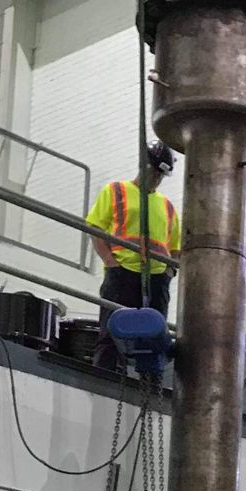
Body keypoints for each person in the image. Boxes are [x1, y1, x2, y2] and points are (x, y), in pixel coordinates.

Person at [84, 142, 182, 373]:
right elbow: (95, 228)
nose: (156, 178)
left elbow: (175, 248)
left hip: (157, 278)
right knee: (111, 331)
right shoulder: (116, 191)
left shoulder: (167, 207)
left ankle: (151, 382)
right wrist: (110, 262)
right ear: (144, 165)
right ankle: (104, 374)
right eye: (154, 171)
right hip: (122, 272)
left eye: (161, 175)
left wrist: (169, 272)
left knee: (154, 338)